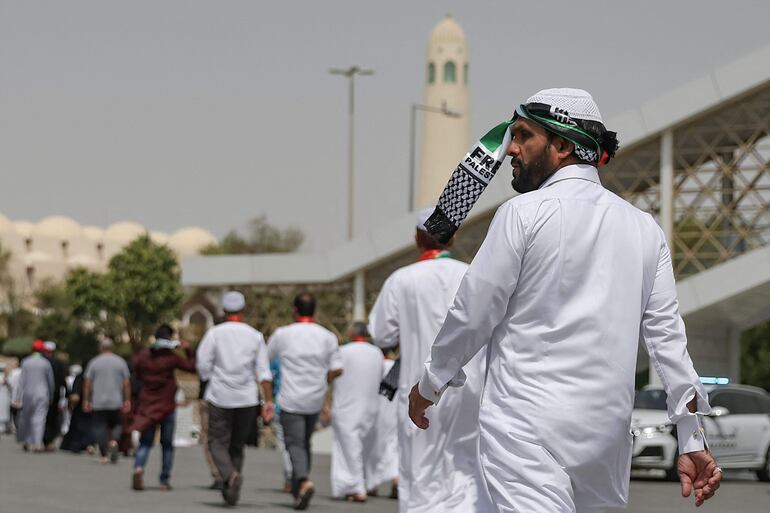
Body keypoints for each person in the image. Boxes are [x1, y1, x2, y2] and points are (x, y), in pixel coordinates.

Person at [409, 88, 723, 513]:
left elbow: (472, 313)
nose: (511, 150)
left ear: (560, 146)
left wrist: (430, 384)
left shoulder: (522, 213)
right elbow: (668, 341)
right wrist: (691, 435)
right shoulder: (644, 229)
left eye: (522, 136)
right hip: (606, 442)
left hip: (525, 431)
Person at [369, 208, 489, 513]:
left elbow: (381, 334)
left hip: (418, 389)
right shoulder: (472, 273)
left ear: (418, 238)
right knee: (466, 472)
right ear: (452, 237)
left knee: (420, 475)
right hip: (471, 390)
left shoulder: (402, 280)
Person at [196, 291, 274, 507]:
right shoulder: (255, 335)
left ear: (224, 311)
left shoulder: (215, 334)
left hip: (220, 396)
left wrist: (210, 379)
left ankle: (229, 475)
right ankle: (231, 492)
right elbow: (264, 373)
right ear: (244, 310)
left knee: (216, 442)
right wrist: (268, 401)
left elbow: (202, 363)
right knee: (237, 445)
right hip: (247, 398)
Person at [267, 292, 343, 510]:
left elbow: (266, 359)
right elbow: (337, 368)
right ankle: (299, 489)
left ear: (295, 310)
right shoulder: (327, 336)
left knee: (294, 443)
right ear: (315, 311)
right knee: (304, 442)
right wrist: (322, 379)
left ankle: (302, 480)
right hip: (315, 399)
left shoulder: (282, 334)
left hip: (290, 398)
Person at [130, 324, 196, 491]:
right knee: (167, 445)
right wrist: (188, 350)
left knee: (145, 442)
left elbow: (136, 372)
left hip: (148, 405)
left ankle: (138, 468)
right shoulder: (171, 358)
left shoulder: (144, 356)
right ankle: (164, 480)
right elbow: (191, 367)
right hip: (167, 405)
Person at [329, 322, 383, 502]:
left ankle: (356, 487)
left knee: (348, 448)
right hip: (370, 407)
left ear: (351, 332)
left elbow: (332, 372)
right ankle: (359, 484)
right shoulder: (376, 353)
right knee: (362, 448)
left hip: (347, 407)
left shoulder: (343, 351)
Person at [83, 338, 131, 464]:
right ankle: (114, 441)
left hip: (98, 401)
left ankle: (104, 454)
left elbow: (88, 383)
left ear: (100, 348)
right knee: (117, 424)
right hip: (116, 400)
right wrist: (127, 400)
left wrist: (86, 400)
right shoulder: (120, 362)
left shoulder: (94, 362)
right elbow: (126, 383)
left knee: (99, 427)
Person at [365, 349, 399, 499]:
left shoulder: (374, 365)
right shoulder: (397, 365)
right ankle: (396, 481)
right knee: (394, 446)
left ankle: (372, 485)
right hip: (395, 412)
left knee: (374, 448)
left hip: (376, 411)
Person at [11, 340, 54, 452]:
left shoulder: (26, 362)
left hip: (28, 393)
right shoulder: (45, 363)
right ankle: (37, 443)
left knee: (27, 418)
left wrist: (16, 398)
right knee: (40, 418)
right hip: (42, 393)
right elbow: (50, 382)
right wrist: (51, 396)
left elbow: (21, 382)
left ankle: (27, 441)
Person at [60, 363, 95, 453]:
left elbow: (75, 392)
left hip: (80, 405)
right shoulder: (94, 377)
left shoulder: (80, 377)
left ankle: (74, 444)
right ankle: (86, 444)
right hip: (92, 404)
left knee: (77, 426)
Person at [197, 376, 224, 490]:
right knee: (223, 435)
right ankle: (225, 472)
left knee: (209, 437)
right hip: (229, 398)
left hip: (209, 397)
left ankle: (218, 474)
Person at [42, 341, 67, 450]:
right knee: (52, 418)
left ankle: (40, 438)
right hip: (54, 395)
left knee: (40, 417)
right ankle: (49, 441)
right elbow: (62, 379)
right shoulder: (58, 363)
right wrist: (67, 392)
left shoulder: (41, 362)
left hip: (41, 393)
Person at [0, 363, 12, 435]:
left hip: (4, 397)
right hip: (3, 397)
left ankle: (4, 428)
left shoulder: (6, 377)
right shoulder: (4, 377)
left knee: (4, 412)